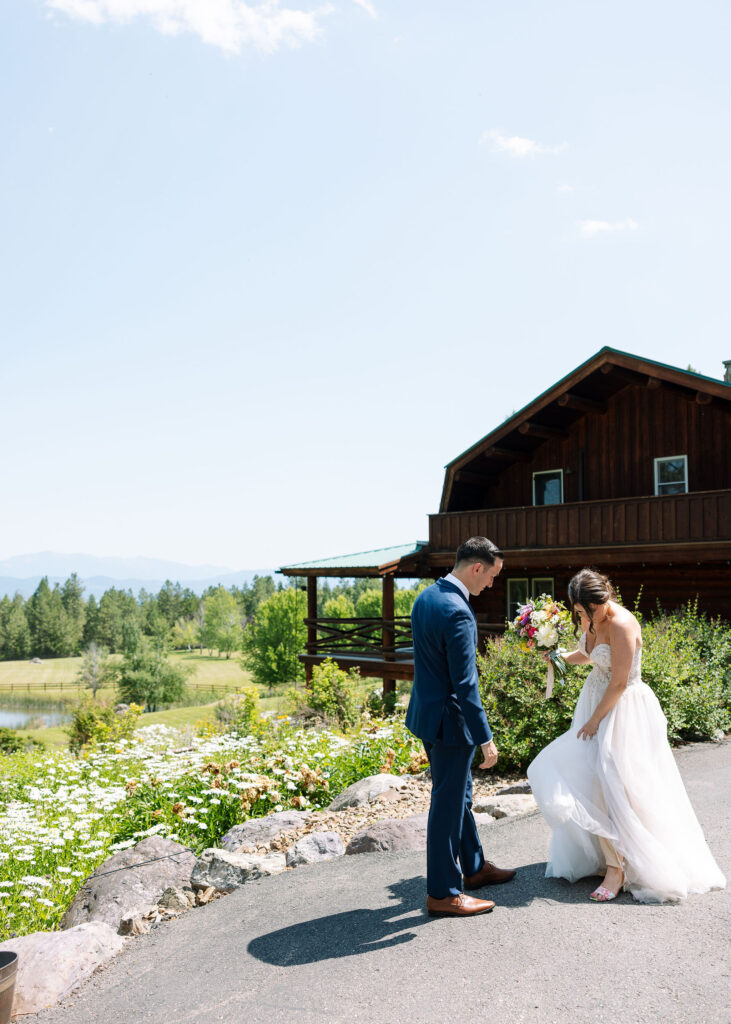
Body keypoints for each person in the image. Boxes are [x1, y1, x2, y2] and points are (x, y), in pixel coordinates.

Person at [527, 568, 726, 903]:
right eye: (579, 612)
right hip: (594, 700)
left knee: (614, 780)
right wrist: (559, 657)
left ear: (604, 598)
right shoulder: (590, 617)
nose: (583, 617)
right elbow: (588, 655)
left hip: (622, 709)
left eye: (587, 610)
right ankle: (610, 857)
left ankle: (618, 868)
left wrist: (594, 722)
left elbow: (619, 681)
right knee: (590, 779)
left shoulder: (621, 623)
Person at [406, 536, 517, 917]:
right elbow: (465, 682)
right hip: (452, 725)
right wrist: (485, 737)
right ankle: (443, 892)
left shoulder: (425, 597)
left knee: (458, 797)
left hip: (426, 716)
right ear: (476, 568)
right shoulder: (457, 610)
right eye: (491, 576)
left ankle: (473, 868)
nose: (491, 585)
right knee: (448, 805)